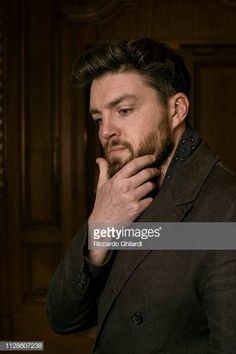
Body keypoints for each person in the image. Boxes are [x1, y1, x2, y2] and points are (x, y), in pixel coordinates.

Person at [47, 38, 236, 353]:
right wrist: (100, 227)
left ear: (176, 110)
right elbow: (63, 318)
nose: (106, 131)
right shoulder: (116, 194)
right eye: (98, 118)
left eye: (123, 110)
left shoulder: (227, 207)